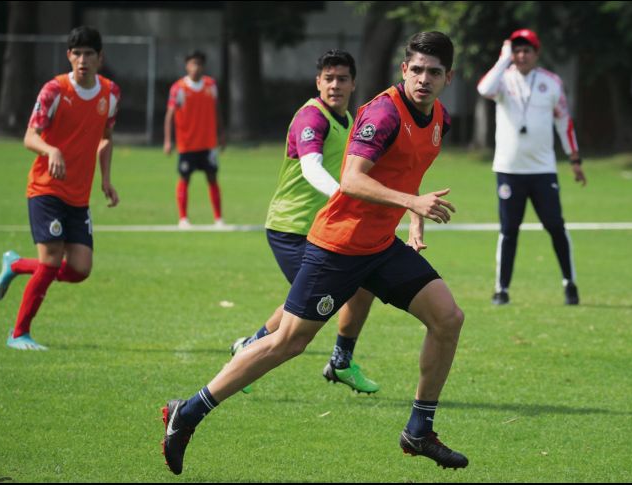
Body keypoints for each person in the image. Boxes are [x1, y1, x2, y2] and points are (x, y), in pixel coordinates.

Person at [161, 32, 468, 474]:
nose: (424, 79)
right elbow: (353, 179)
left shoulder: (439, 117)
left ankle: (419, 430)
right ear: (404, 70)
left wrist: (415, 215)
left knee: (448, 318)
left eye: (434, 72)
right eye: (416, 70)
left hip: (380, 246)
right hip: (338, 246)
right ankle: (185, 414)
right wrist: (411, 204)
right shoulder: (383, 113)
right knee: (288, 341)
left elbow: (406, 173)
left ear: (448, 77)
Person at [230, 50, 379, 395]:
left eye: (342, 78)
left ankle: (341, 361)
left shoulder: (349, 120)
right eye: (329, 78)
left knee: (365, 283)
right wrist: (345, 196)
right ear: (318, 82)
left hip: (325, 226)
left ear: (353, 83)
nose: (335, 85)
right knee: (309, 302)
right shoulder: (311, 117)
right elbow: (312, 167)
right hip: (291, 226)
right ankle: (249, 348)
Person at [0, 26, 120, 350]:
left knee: (80, 269)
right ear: (69, 56)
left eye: (89, 53)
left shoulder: (110, 94)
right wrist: (52, 150)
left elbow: (106, 137)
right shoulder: (55, 90)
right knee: (50, 262)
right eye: (76, 54)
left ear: (100, 58)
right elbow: (30, 136)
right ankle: (18, 333)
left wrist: (105, 179)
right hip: (46, 188)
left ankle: (17, 265)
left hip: (79, 194)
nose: (82, 60)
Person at [477, 28, 586, 306]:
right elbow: (484, 89)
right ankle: (501, 289)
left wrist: (574, 159)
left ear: (537, 53)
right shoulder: (503, 80)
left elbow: (565, 122)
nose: (522, 55)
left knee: (555, 226)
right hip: (509, 170)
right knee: (509, 230)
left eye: (527, 50)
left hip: (542, 170)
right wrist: (503, 59)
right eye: (517, 50)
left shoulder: (551, 82)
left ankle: (569, 283)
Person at [164, 50, 225, 228]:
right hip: (187, 144)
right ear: (186, 66)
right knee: (184, 179)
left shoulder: (211, 85)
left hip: (208, 144)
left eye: (198, 64)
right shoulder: (178, 88)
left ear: (203, 66)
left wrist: (221, 133)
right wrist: (168, 140)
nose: (195, 67)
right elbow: (169, 115)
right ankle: (183, 218)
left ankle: (218, 219)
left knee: (212, 177)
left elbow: (217, 110)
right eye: (192, 63)